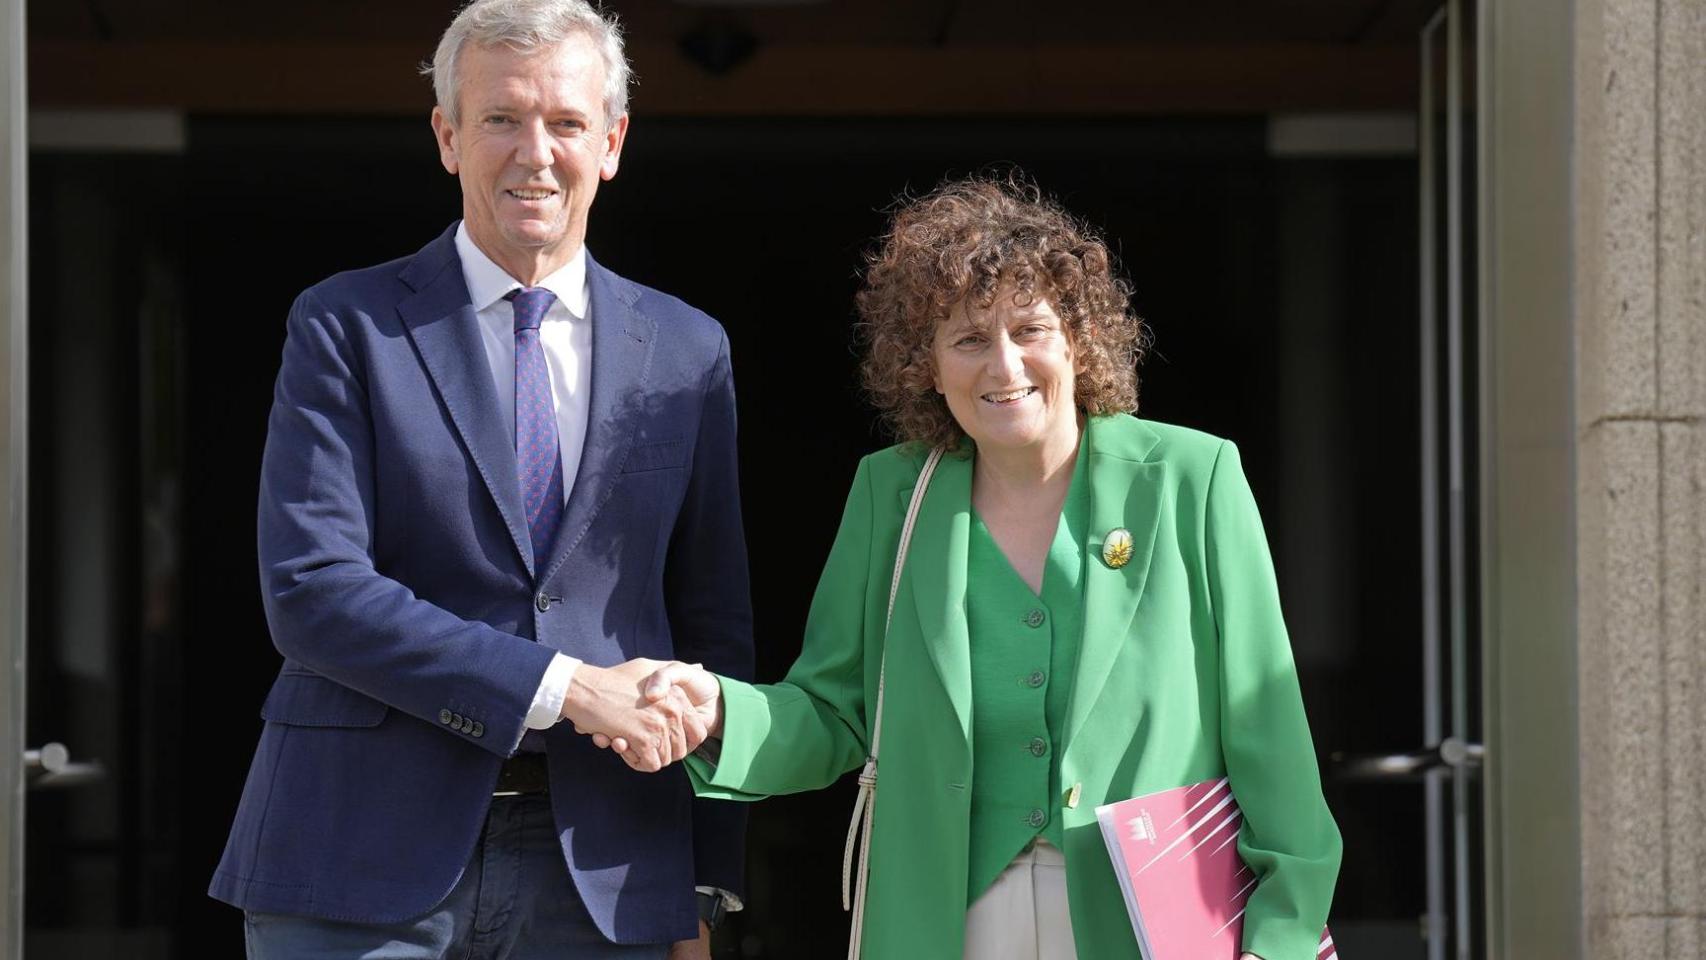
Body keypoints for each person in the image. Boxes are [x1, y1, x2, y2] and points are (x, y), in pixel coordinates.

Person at [612, 176, 1342, 959]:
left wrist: (1281, 940)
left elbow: (1266, 732)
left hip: (1151, 925)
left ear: (1077, 339)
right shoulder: (889, 494)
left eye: (1029, 329)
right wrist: (717, 710)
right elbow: (833, 712)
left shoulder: (1191, 480)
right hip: (948, 922)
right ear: (925, 364)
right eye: (967, 339)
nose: (1003, 366)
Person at [208, 1, 751, 957]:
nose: (534, 152)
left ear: (613, 142)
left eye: (567, 122)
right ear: (448, 137)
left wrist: (706, 882)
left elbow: (713, 622)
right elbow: (311, 591)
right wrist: (568, 685)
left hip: (607, 871)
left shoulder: (687, 350)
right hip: (358, 856)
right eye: (501, 118)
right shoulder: (346, 325)